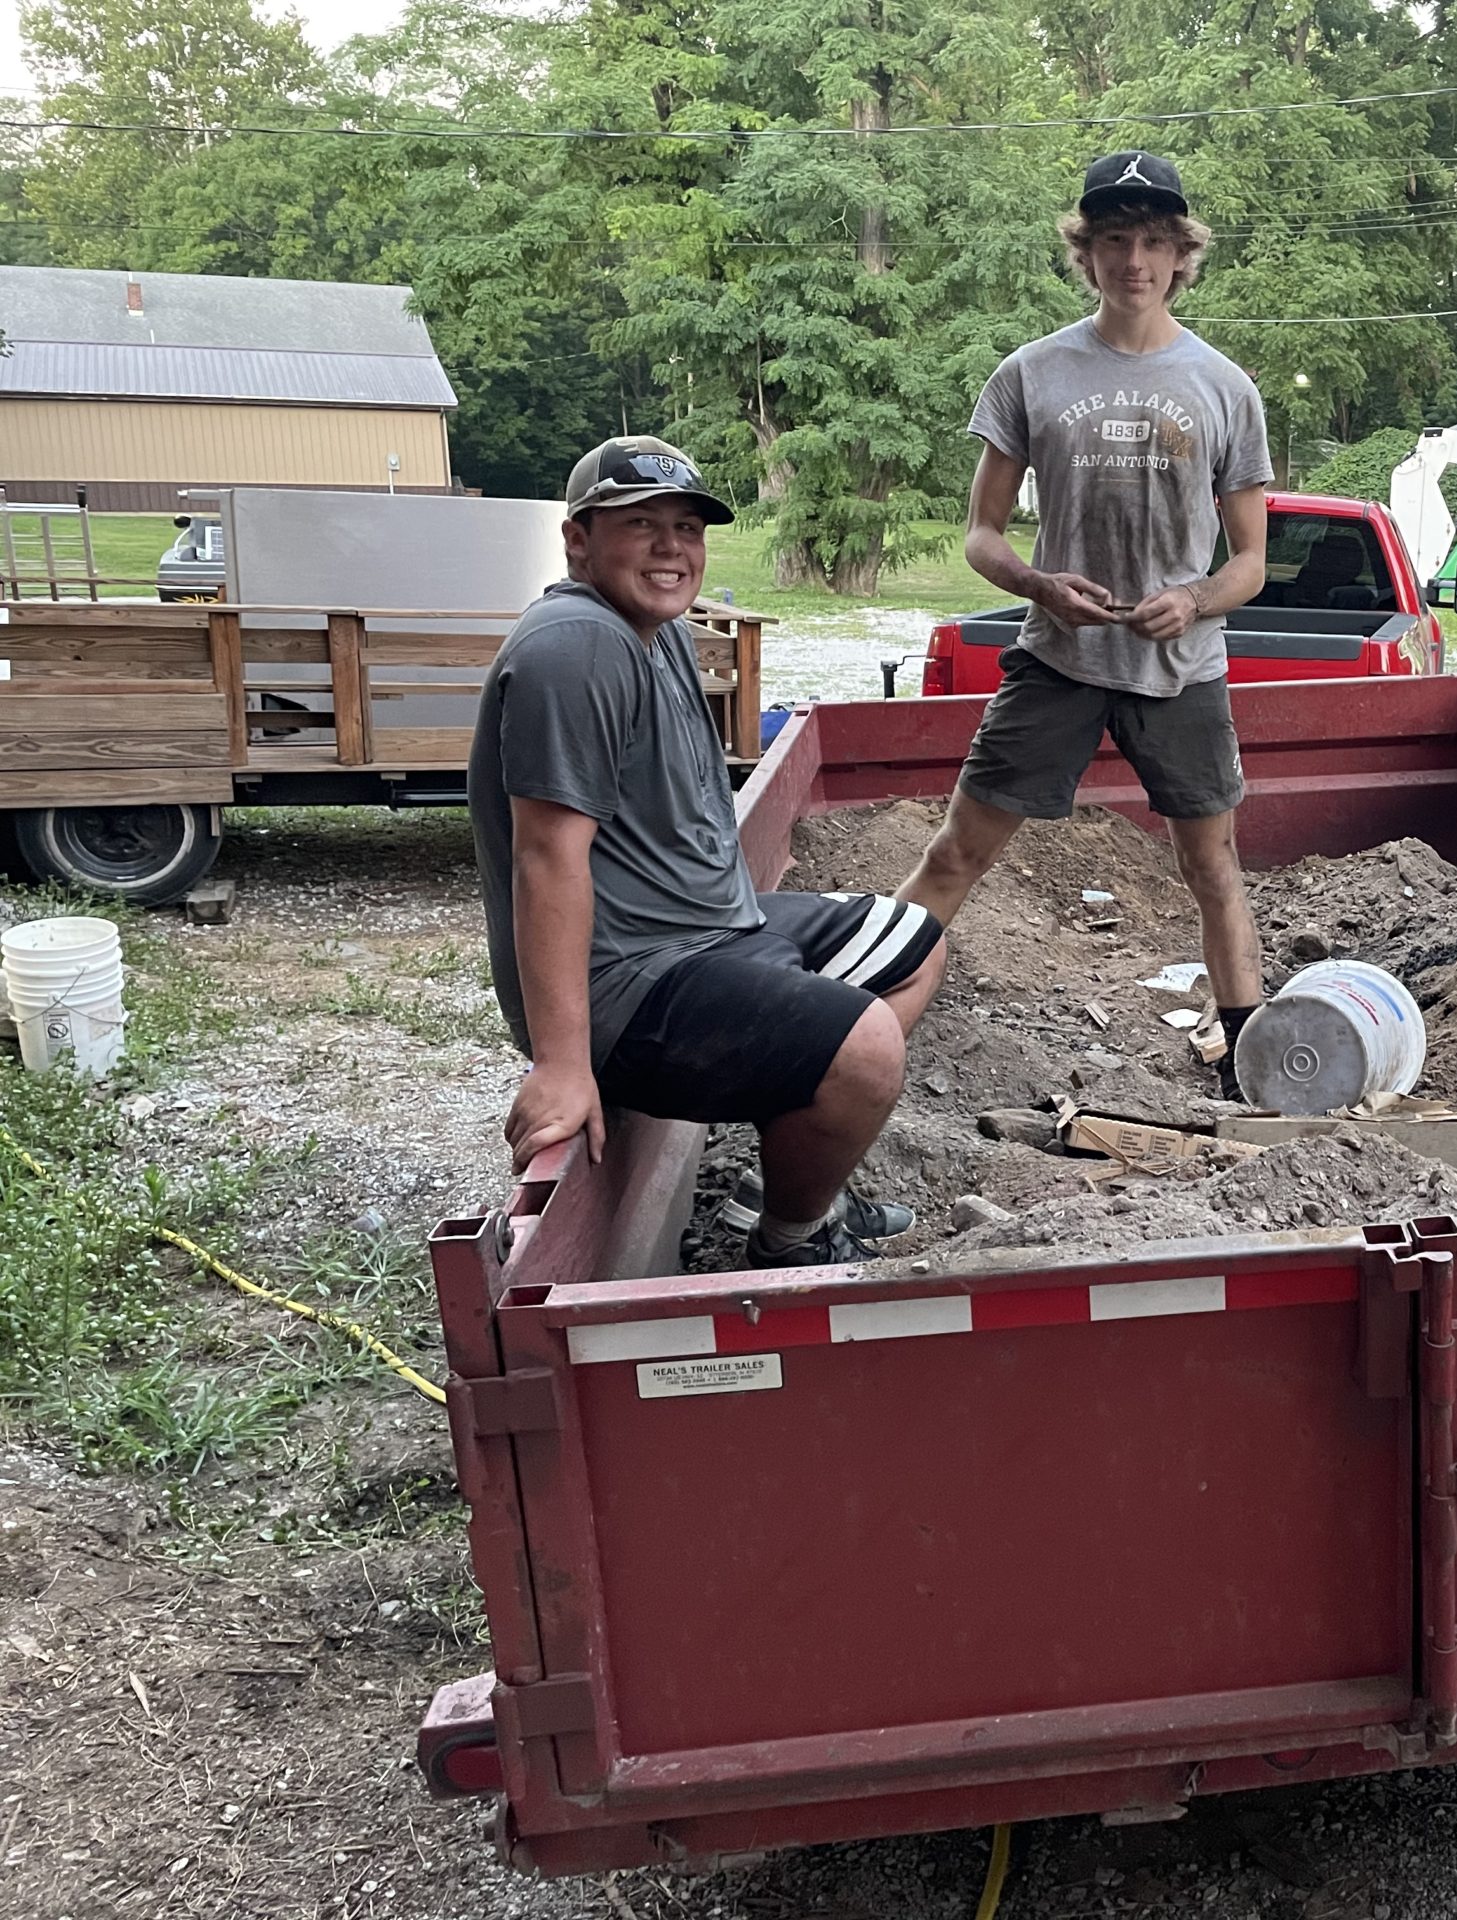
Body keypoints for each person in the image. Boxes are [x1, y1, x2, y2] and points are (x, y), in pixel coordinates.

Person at [469, 436, 946, 1267]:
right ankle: (792, 1237)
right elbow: (546, 858)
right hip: (631, 978)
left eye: (687, 528)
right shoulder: (573, 647)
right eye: (640, 523)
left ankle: (787, 1163)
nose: (671, 548)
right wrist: (560, 1063)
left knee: (914, 943)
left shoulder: (660, 636)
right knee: (866, 1048)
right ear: (577, 538)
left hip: (712, 929)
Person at [897, 150, 1272, 1095]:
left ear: (1182, 254)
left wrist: (1192, 599)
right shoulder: (1032, 372)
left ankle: (1255, 1063)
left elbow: (1252, 563)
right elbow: (980, 534)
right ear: (1088, 252)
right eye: (1115, 240)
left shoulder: (1225, 387)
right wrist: (1034, 582)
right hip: (1058, 658)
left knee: (1213, 866)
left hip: (1182, 668)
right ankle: (847, 1011)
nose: (1134, 260)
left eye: (1153, 241)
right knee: (958, 851)